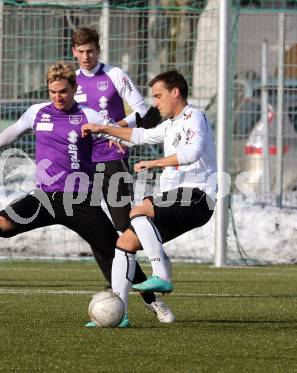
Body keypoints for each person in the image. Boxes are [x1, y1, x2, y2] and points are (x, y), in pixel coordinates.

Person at [0, 62, 154, 327]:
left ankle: (155, 302)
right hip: (45, 197)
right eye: (52, 91)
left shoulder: (89, 115)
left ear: (74, 88)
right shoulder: (37, 112)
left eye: (62, 91)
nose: (57, 97)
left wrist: (132, 134)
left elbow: (116, 131)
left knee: (113, 249)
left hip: (78, 200)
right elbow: (14, 130)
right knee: (2, 221)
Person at [81, 70, 217, 323]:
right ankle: (119, 314)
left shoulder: (194, 117)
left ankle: (161, 274)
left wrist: (154, 162)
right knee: (125, 243)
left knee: (139, 210)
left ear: (175, 92)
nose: (155, 103)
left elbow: (192, 153)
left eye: (158, 96)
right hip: (176, 199)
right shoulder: (170, 125)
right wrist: (103, 129)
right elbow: (140, 136)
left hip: (198, 197)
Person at [71, 27, 172, 323]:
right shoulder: (70, 81)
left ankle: (157, 274)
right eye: (81, 51)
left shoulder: (115, 74)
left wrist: (116, 128)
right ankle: (124, 304)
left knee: (125, 227)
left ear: (98, 50)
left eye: (91, 51)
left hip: (112, 159)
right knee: (97, 236)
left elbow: (142, 110)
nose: (87, 56)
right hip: (83, 166)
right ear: (74, 52)